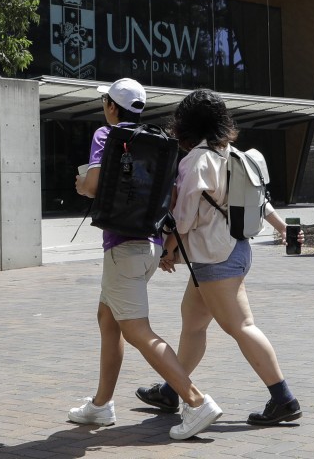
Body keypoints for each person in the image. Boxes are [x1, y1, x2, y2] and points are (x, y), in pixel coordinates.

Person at [135, 88, 302, 425]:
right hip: (235, 249)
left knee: (241, 326)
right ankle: (171, 390)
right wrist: (283, 227)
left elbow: (183, 218)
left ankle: (283, 398)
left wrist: (168, 250)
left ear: (187, 124)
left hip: (215, 258)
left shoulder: (197, 161)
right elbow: (260, 202)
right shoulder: (235, 154)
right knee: (193, 323)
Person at [69, 78, 222, 440]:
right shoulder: (159, 142)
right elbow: (171, 196)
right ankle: (101, 405)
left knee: (137, 330)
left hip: (122, 248)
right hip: (149, 246)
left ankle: (196, 401)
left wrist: (81, 185)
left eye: (105, 102)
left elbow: (92, 185)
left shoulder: (107, 135)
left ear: (111, 107)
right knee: (108, 319)